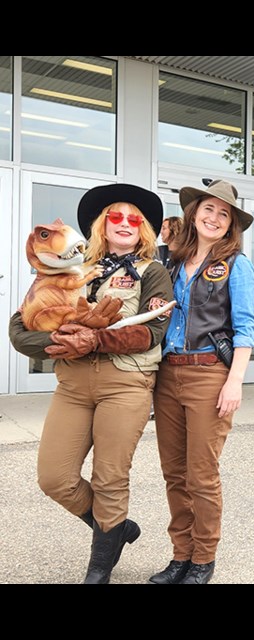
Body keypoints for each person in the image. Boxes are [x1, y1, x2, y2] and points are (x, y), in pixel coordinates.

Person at [9, 183, 173, 583]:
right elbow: (20, 328)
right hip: (73, 385)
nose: (124, 223)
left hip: (126, 383)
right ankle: (115, 529)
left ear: (143, 229)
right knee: (54, 477)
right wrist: (59, 340)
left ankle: (99, 566)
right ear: (102, 224)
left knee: (110, 477)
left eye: (133, 218)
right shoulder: (69, 270)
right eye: (115, 216)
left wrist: (94, 339)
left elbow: (152, 333)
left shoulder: (154, 273)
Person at [150, 179, 254, 585]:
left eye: (224, 213)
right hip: (168, 373)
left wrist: (235, 382)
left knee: (201, 474)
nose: (214, 218)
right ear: (193, 214)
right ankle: (180, 555)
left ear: (231, 224)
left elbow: (247, 328)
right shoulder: (172, 262)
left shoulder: (236, 264)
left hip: (210, 374)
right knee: (173, 473)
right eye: (208, 209)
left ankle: (203, 559)